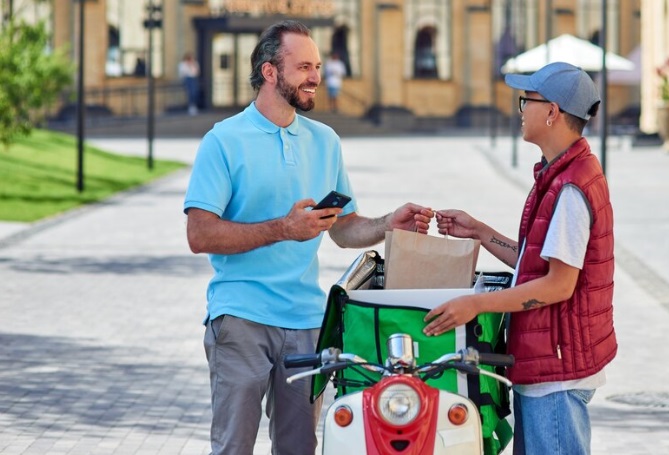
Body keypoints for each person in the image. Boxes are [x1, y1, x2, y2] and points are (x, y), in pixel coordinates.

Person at [183, 20, 434, 455]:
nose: (315, 76)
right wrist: (283, 228)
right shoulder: (223, 140)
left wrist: (387, 223)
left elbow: (342, 227)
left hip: (307, 324)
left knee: (300, 449)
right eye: (303, 66)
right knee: (233, 447)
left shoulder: (325, 140)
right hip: (241, 318)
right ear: (269, 72)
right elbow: (199, 233)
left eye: (316, 65)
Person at [422, 62, 616, 455]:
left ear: (552, 112)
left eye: (525, 100)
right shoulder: (559, 175)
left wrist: (475, 304)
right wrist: (479, 231)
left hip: (556, 375)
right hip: (547, 366)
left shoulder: (571, 188)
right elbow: (537, 262)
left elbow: (559, 285)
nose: (519, 109)